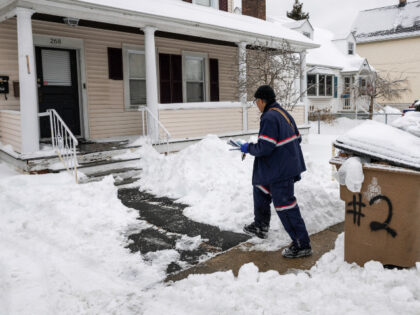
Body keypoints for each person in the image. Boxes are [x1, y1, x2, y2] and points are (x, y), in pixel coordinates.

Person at [240, 85, 312, 258]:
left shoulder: (269, 117)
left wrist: (247, 147)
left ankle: (302, 244)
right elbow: (298, 137)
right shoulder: (282, 113)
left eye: (256, 101)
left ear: (262, 101)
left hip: (280, 170)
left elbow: (265, 147)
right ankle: (260, 226)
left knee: (285, 205)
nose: (256, 104)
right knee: (260, 188)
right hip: (280, 166)